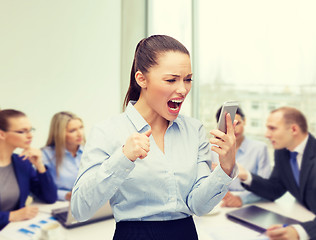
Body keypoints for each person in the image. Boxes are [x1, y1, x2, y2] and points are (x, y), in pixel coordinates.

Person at [71, 35, 238, 240]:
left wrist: (226, 167)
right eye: (171, 80)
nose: (183, 89)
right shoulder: (107, 132)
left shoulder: (194, 130)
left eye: (187, 79)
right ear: (141, 79)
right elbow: (80, 209)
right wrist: (123, 157)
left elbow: (199, 206)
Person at [239, 107, 316, 240]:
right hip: (304, 216)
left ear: (293, 129)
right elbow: (275, 189)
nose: (267, 135)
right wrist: (245, 175)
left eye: (272, 128)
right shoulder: (282, 152)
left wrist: (300, 231)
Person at [0, 109, 57, 230]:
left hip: (11, 231)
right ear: (2, 134)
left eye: (30, 130)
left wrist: (39, 165)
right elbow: (13, 215)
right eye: (22, 131)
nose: (30, 135)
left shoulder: (22, 162)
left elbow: (50, 197)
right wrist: (10, 216)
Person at [213, 106, 271, 207]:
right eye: (228, 125)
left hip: (251, 203)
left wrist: (242, 199)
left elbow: (266, 187)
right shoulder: (212, 150)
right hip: (219, 204)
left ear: (245, 121)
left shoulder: (260, 148)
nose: (233, 129)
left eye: (238, 123)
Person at [42, 111, 85, 201]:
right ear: (59, 133)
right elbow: (41, 190)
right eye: (72, 130)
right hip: (59, 204)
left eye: (81, 127)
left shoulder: (89, 151)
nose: (80, 133)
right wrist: (66, 195)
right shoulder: (45, 155)